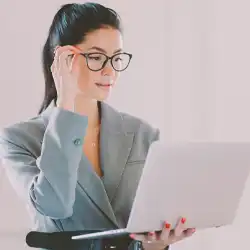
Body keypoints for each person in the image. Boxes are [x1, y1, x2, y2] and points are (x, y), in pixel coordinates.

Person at [0, 2, 196, 250]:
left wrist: (155, 245)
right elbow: (54, 205)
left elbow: (141, 233)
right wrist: (66, 105)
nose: (110, 70)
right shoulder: (19, 139)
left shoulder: (143, 134)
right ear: (63, 58)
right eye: (96, 57)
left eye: (116, 58)